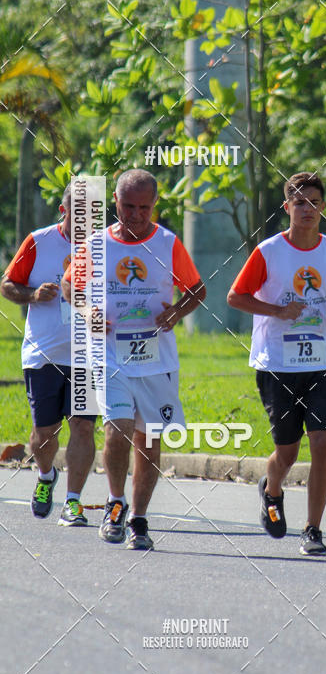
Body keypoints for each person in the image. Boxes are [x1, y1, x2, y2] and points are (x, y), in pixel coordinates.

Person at [62, 169, 206, 550]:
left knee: (149, 440)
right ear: (115, 201)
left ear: (155, 204)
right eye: (128, 207)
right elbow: (69, 285)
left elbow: (197, 289)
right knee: (117, 429)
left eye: (144, 207)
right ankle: (115, 502)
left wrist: (176, 312)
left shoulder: (168, 243)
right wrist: (88, 311)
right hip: (111, 355)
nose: (136, 215)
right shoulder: (96, 245)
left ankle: (139, 518)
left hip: (156, 360)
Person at [227, 171, 326, 556]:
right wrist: (277, 310)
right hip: (278, 364)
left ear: (323, 207)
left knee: (322, 442)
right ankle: (271, 490)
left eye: (314, 202)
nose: (307, 209)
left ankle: (313, 529)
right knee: (287, 452)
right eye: (299, 202)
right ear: (287, 207)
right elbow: (236, 297)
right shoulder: (269, 251)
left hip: (325, 361)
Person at [0, 184, 96, 525]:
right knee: (45, 434)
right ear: (63, 210)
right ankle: (45, 476)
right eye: (77, 212)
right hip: (43, 354)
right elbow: (7, 284)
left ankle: (73, 501)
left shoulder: (106, 246)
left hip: (88, 355)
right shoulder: (38, 242)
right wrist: (33, 294)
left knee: (83, 427)